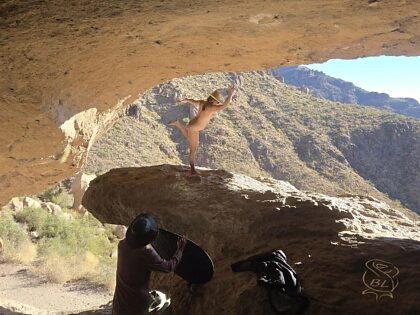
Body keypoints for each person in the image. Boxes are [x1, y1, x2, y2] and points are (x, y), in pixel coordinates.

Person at [112, 213, 187, 315]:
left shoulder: (122, 245)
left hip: (120, 301)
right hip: (137, 303)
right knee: (165, 299)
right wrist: (180, 250)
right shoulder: (146, 254)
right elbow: (168, 267)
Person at [169, 84, 236, 174]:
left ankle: (177, 124)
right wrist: (230, 94)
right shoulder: (212, 107)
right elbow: (225, 105)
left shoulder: (202, 102)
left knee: (189, 138)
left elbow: (193, 101)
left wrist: (186, 99)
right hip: (194, 128)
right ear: (214, 101)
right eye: (217, 102)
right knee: (193, 150)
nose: (217, 103)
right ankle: (192, 170)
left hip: (192, 125)